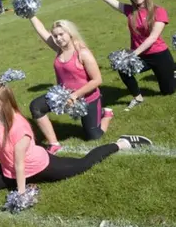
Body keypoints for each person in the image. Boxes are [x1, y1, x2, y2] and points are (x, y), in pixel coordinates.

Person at [0, 70, 153, 203]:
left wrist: (21, 195)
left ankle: (120, 144)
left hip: (39, 166)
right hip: (8, 171)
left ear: (3, 103)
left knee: (82, 165)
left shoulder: (18, 127)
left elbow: (20, 164)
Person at [89, 0, 176, 111]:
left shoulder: (159, 11)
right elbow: (109, 0)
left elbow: (152, 38)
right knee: (123, 67)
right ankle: (137, 97)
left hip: (159, 54)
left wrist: (133, 54)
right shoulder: (130, 11)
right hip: (141, 56)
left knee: (168, 91)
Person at [26, 16, 113, 154]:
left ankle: (107, 114)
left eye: (61, 34)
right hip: (63, 97)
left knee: (94, 136)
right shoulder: (58, 48)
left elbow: (97, 80)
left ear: (70, 33)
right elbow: (41, 30)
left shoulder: (82, 53)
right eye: (55, 36)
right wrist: (30, 14)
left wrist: (75, 95)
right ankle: (54, 144)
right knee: (36, 107)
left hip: (86, 99)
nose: (58, 38)